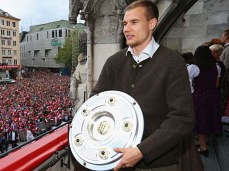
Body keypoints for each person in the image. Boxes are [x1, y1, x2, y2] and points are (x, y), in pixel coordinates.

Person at [79, 1, 203, 171]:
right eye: (124, 23)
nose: (126, 29)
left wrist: (142, 151)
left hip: (160, 164)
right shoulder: (113, 62)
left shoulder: (173, 62)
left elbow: (182, 119)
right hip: (117, 161)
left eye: (134, 22)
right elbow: (96, 102)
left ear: (152, 23)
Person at [192, 45, 222, 157]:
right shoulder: (216, 67)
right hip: (213, 95)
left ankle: (203, 146)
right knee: (210, 117)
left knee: (200, 120)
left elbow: (188, 85)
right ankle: (205, 141)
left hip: (199, 96)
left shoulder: (194, 69)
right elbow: (216, 84)